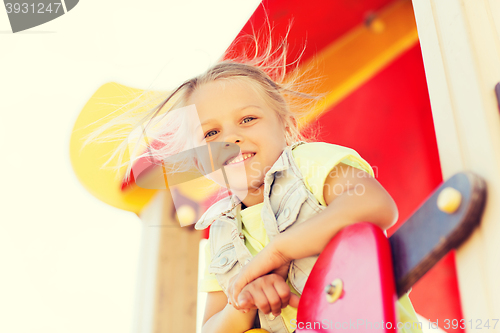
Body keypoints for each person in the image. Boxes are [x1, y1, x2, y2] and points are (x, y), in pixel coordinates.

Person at [90, 33, 422, 333]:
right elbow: (211, 327)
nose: (231, 138)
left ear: (287, 126)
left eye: (248, 119)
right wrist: (242, 302)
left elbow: (374, 206)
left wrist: (276, 253)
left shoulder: (307, 163)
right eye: (211, 134)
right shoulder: (221, 233)